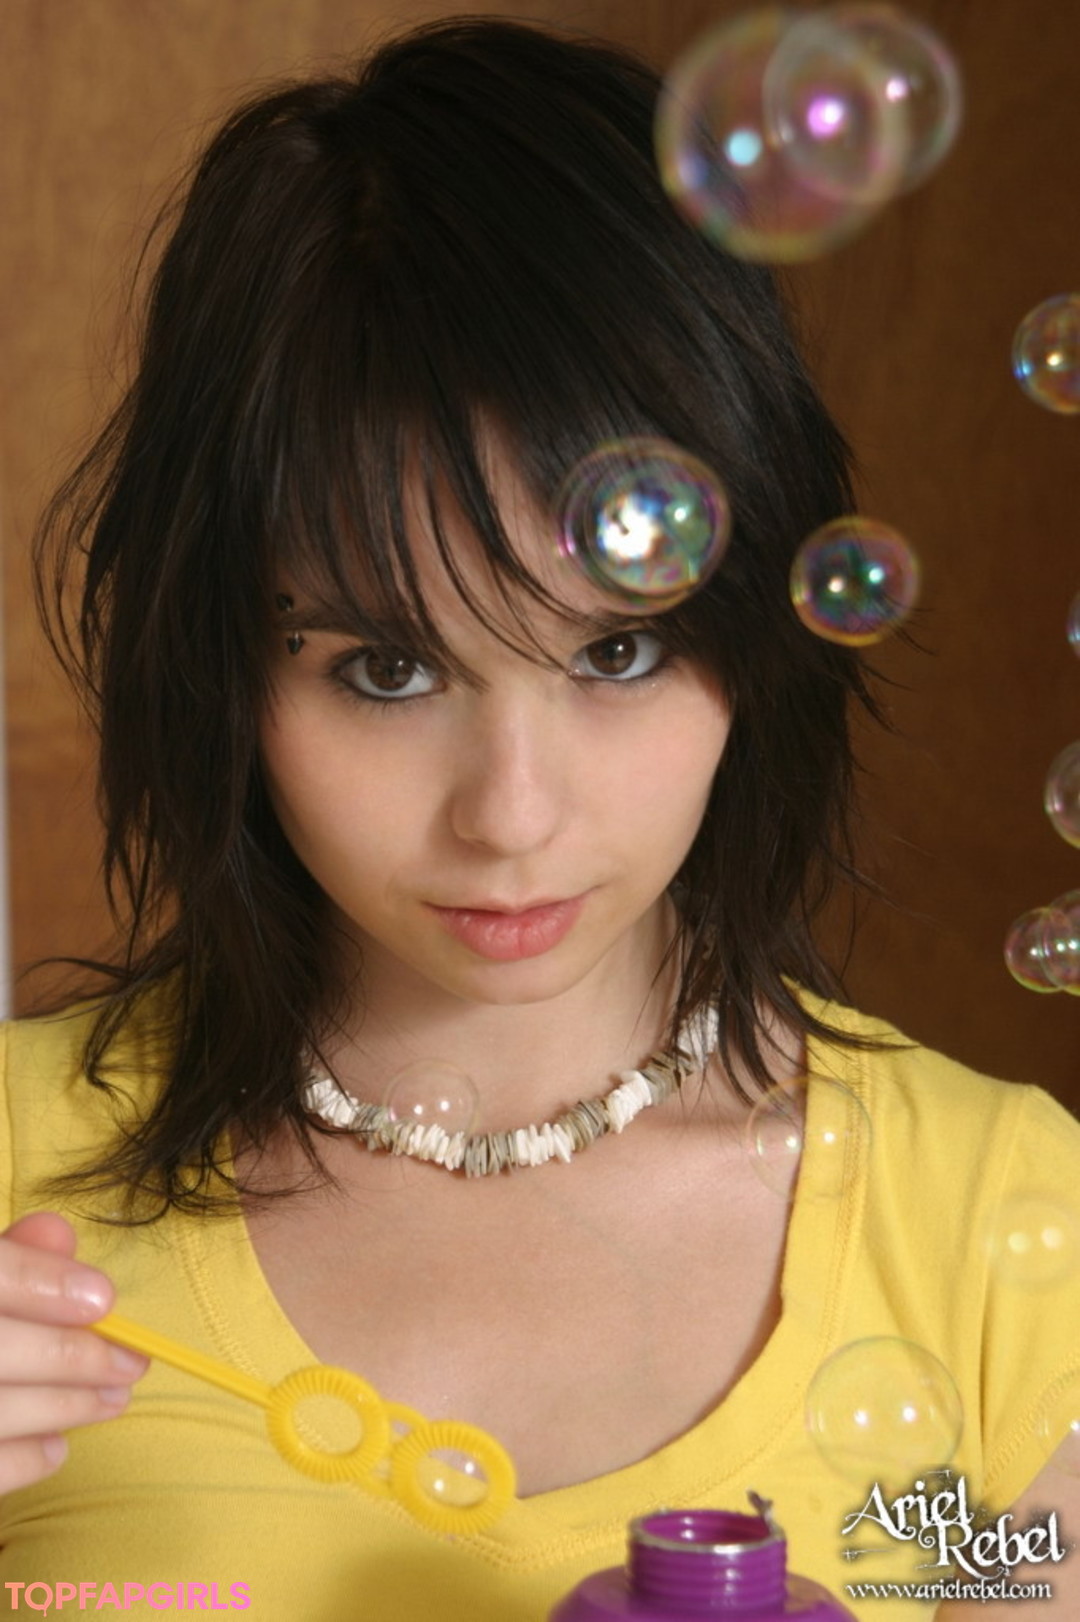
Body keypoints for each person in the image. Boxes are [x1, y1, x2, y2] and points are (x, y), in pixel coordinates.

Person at [1, 17, 1077, 1621]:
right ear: (224, 665)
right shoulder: (15, 1191)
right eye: (385, 667)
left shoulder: (1005, 1226)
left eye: (618, 652)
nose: (511, 812)